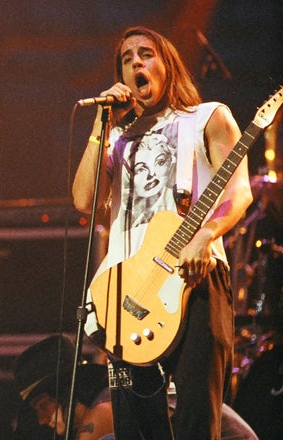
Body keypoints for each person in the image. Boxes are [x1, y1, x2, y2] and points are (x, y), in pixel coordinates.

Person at [72, 26, 253, 439]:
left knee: (194, 418)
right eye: (127, 57)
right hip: (128, 293)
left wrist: (206, 236)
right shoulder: (116, 139)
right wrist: (103, 125)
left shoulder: (208, 116)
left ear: (167, 66)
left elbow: (239, 191)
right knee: (135, 424)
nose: (136, 62)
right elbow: (84, 200)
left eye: (146, 53)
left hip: (195, 278)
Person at [12, 335, 258, 440]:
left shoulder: (106, 410)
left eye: (43, 406)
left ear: (66, 392)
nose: (42, 420)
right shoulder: (113, 397)